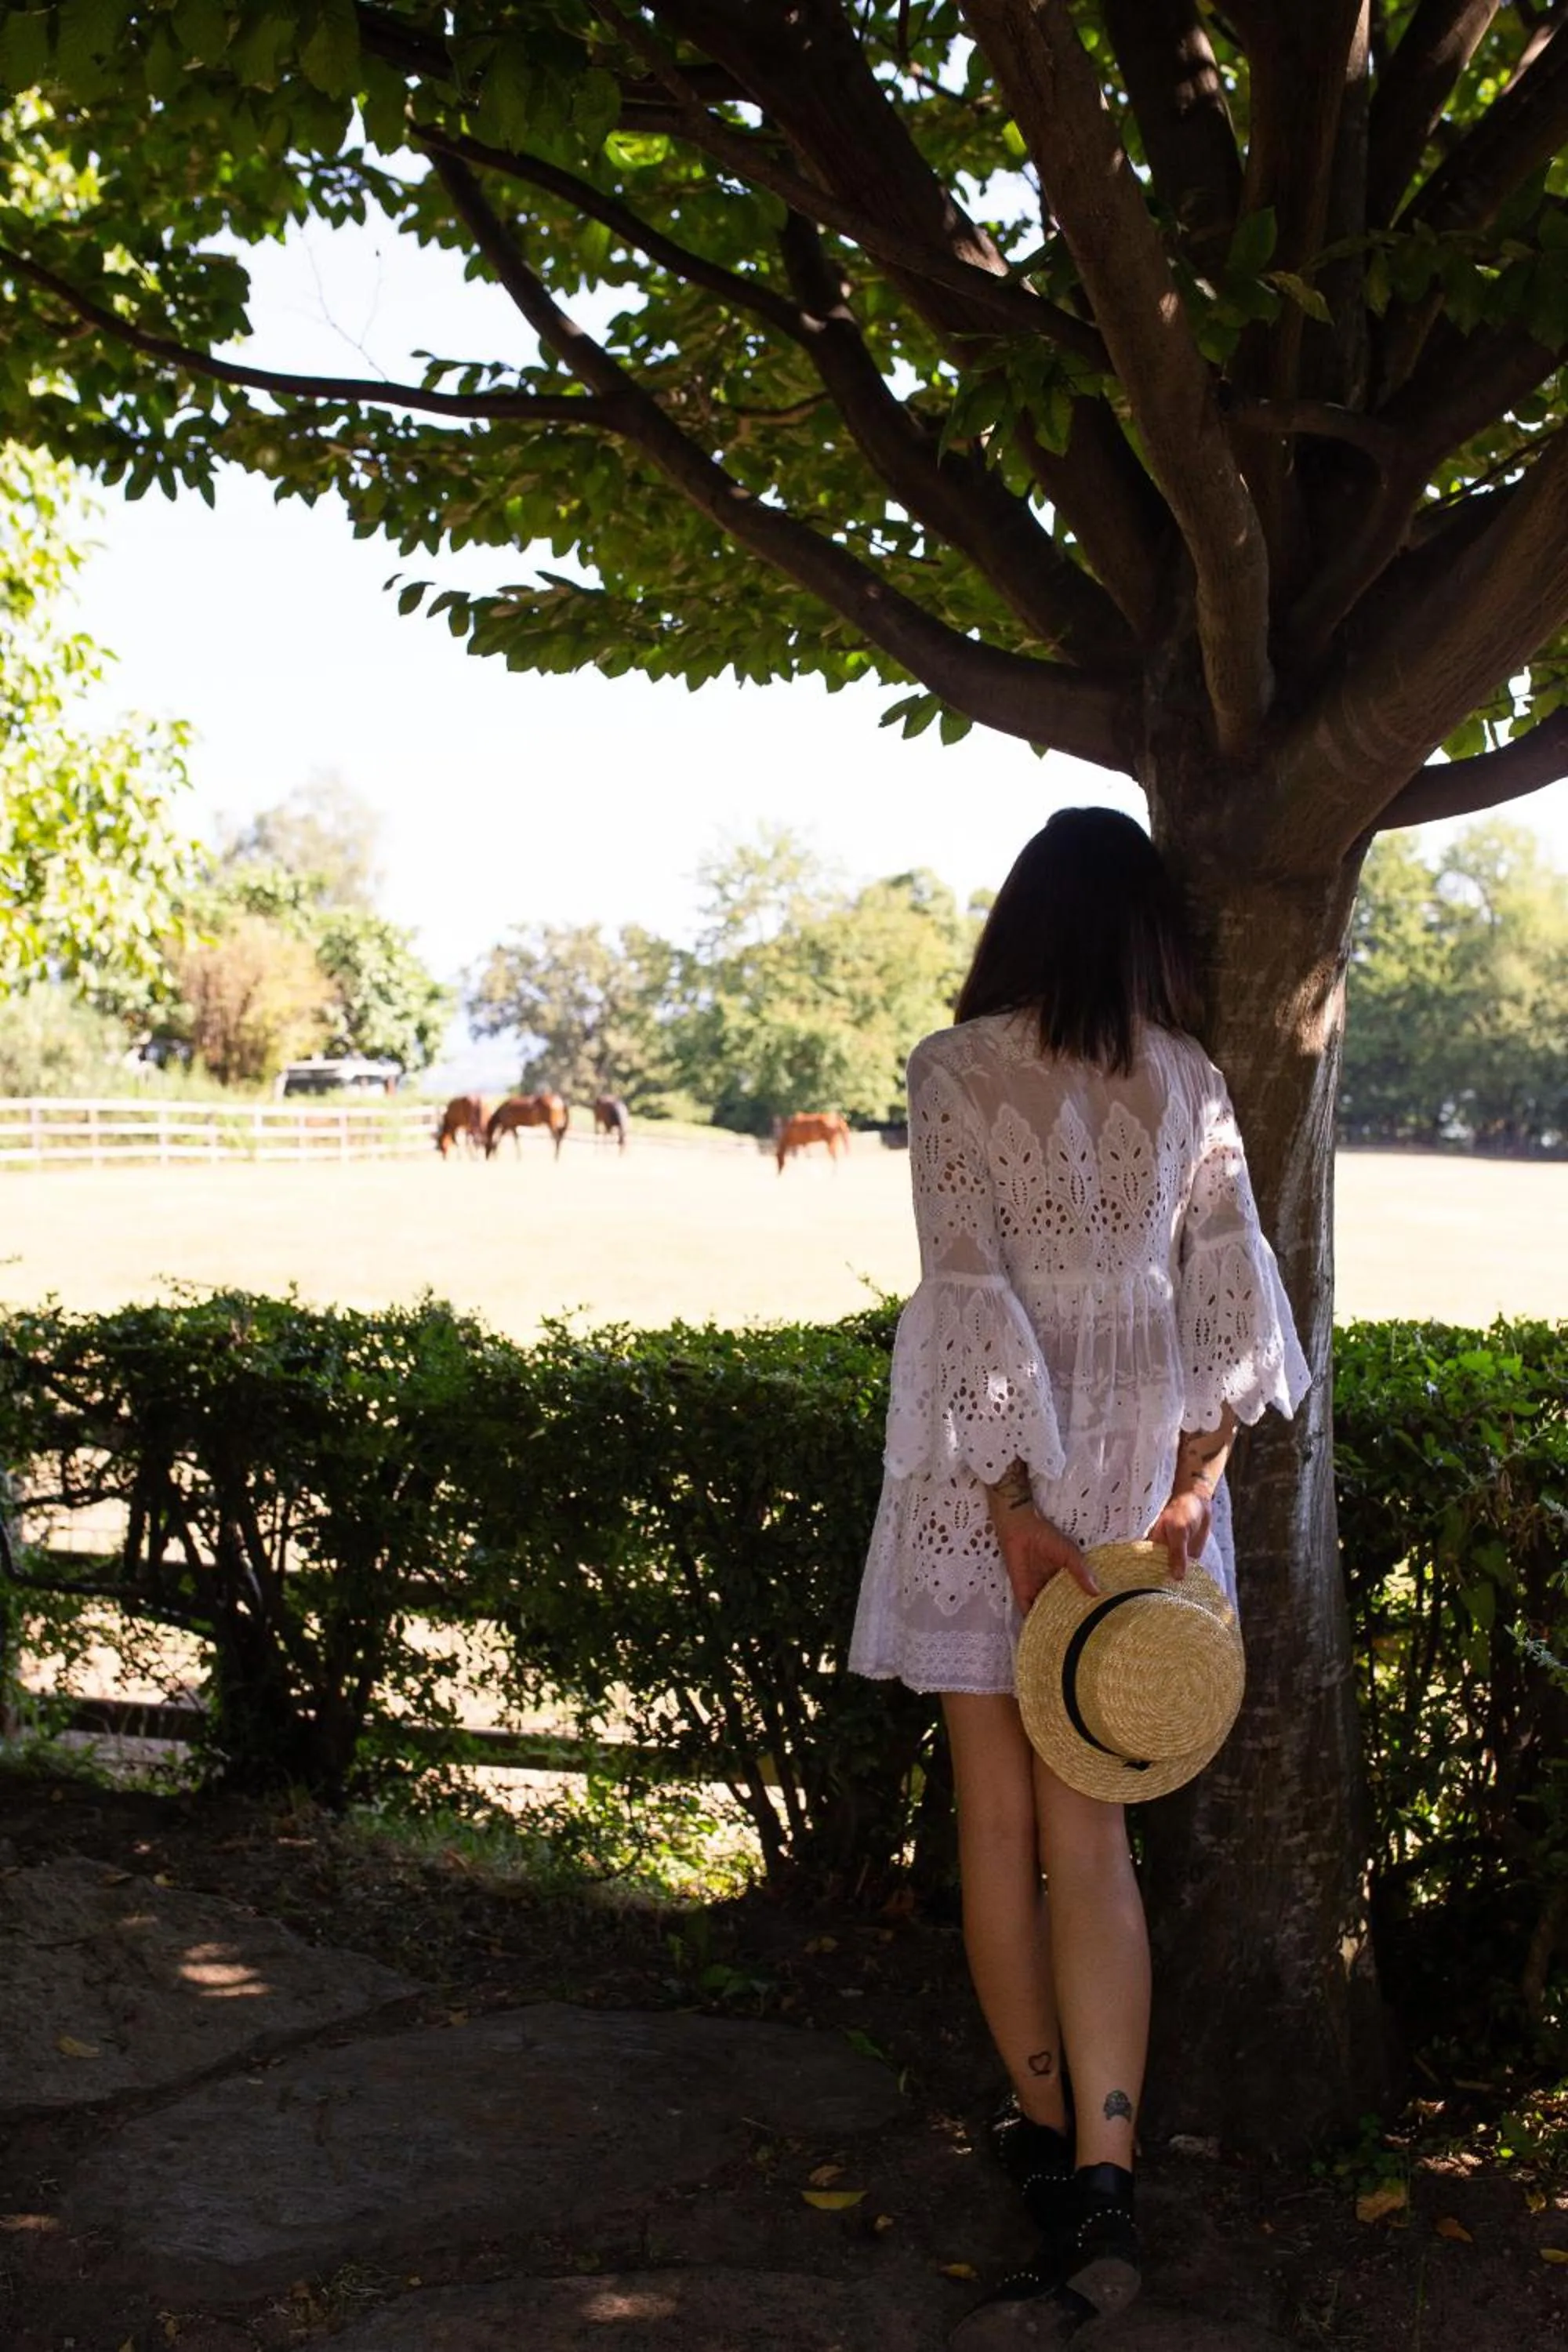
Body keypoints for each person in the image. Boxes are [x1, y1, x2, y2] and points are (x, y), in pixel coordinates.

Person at [848, 808, 1308, 2343]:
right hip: (1128, 1490)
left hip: (987, 1494)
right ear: (1145, 933)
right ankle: (1107, 2182)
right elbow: (1233, 1306)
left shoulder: (951, 1071)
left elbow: (964, 1292)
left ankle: (1046, 2148)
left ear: (1022, 922)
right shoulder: (1189, 1080)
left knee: (995, 1823)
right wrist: (1189, 1493)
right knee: (1090, 1835)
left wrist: (1006, 1512)